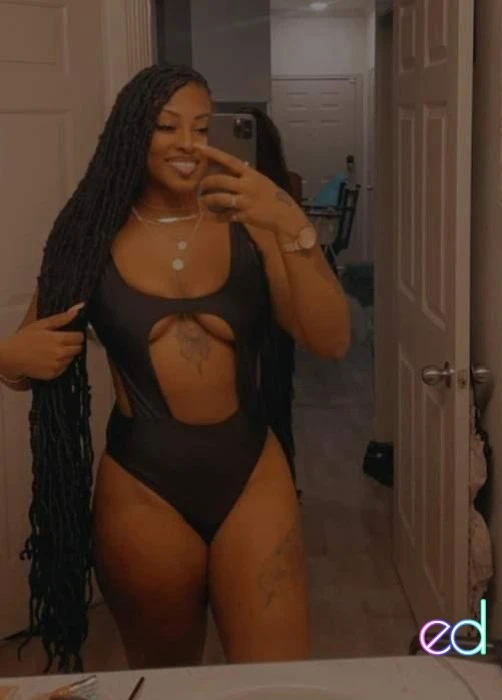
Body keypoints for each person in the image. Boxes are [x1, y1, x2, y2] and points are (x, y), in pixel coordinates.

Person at [0, 64, 351, 673]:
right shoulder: (88, 237)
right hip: (143, 490)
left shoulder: (251, 221)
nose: (188, 143)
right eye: (167, 127)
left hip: (253, 474)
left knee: (278, 680)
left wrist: (291, 223)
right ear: (131, 133)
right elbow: (27, 359)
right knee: (166, 680)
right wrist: (8, 356)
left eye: (201, 127)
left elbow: (332, 340)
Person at [239, 105, 298, 488]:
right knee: (272, 406)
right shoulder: (209, 190)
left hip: (269, 311)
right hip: (262, 313)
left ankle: (275, 490)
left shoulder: (280, 195)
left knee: (267, 404)